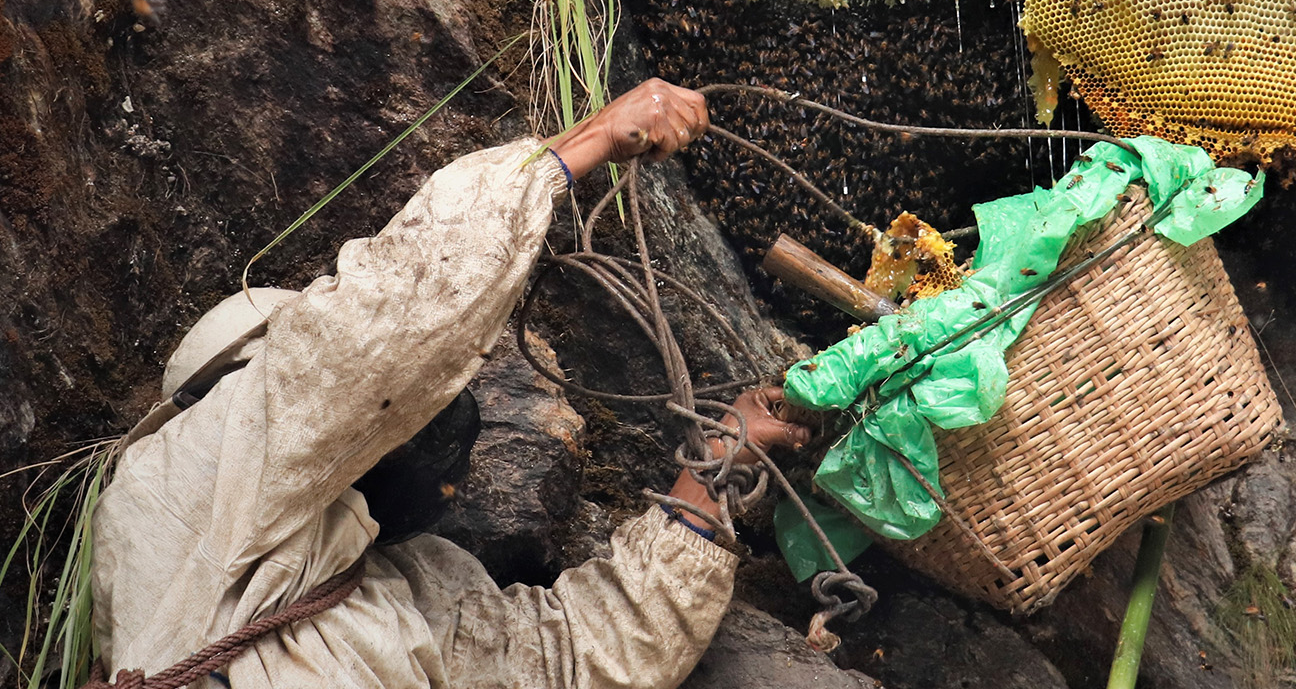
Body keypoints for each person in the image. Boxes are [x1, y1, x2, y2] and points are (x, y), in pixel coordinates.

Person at [90, 78, 809, 689]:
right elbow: (380, 336)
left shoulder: (388, 593)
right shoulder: (183, 486)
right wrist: (585, 143)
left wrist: (714, 468)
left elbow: (573, 656)